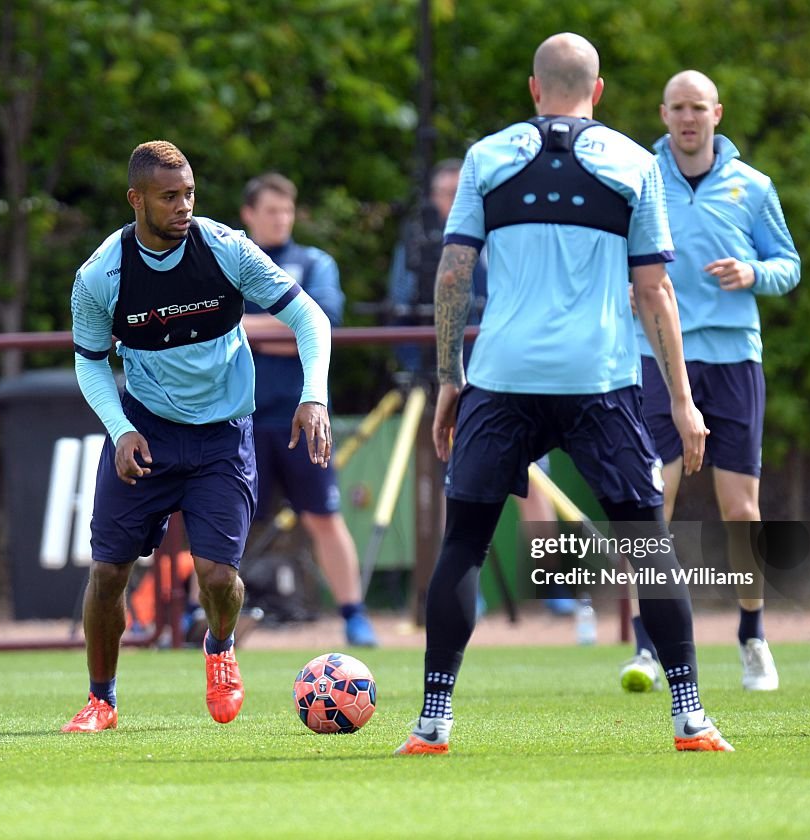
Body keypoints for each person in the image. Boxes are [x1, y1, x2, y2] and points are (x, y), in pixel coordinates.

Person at [395, 33, 733, 755]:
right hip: (599, 380)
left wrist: (450, 377)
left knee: (464, 546)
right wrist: (681, 399)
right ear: (599, 91)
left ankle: (432, 722)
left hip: (504, 376)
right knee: (648, 546)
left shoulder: (487, 158)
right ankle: (690, 718)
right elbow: (655, 291)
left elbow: (452, 274)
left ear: (533, 88)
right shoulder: (638, 164)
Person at [63, 141, 333, 732]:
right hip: (148, 432)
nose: (183, 206)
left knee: (216, 576)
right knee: (108, 573)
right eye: (168, 196)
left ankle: (219, 648)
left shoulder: (227, 249)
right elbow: (88, 362)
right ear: (136, 200)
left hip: (221, 438)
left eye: (189, 193)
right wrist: (121, 429)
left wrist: (315, 395)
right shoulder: (100, 275)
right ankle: (101, 700)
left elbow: (309, 317)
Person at [620, 70, 800, 694]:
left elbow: (788, 266)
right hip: (658, 359)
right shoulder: (638, 178)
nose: (688, 117)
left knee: (740, 509)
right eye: (677, 108)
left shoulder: (753, 187)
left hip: (733, 360)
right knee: (652, 501)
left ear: (717, 113)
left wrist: (751, 273)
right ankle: (648, 647)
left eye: (698, 107)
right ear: (663, 113)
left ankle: (752, 635)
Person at [389, 160, 576, 617]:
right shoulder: (417, 246)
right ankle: (463, 587)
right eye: (442, 192)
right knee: (450, 486)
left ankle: (554, 587)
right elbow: (400, 311)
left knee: (537, 484)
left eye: (459, 191)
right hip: (442, 387)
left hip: (509, 377)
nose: (450, 200)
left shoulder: (503, 239)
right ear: (431, 198)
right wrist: (429, 371)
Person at [238, 173, 378, 648]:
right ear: (249, 215)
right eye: (271, 210)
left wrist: (247, 329)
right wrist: (286, 327)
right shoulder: (232, 261)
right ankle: (202, 613)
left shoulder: (314, 263)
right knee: (225, 517)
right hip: (241, 418)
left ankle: (354, 615)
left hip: (304, 416)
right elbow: (215, 330)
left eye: (287, 210)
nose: (281, 219)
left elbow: (320, 327)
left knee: (324, 516)